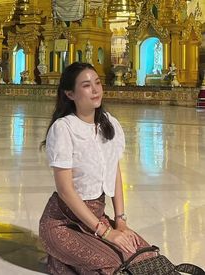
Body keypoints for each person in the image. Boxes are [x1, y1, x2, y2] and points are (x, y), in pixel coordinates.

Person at [39, 62, 155, 275]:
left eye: (98, 83)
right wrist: (105, 232)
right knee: (114, 266)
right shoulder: (63, 129)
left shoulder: (109, 123)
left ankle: (65, 261)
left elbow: (115, 173)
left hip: (95, 218)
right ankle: (58, 259)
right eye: (86, 85)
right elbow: (65, 191)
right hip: (62, 223)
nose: (95, 89)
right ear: (70, 94)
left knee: (145, 257)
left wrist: (120, 222)